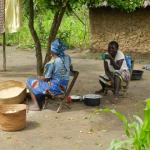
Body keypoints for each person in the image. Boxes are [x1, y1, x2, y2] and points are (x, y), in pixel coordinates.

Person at [26, 39, 72, 110]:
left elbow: (46, 78)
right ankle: (41, 100)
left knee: (29, 80)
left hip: (55, 89)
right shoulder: (67, 58)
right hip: (63, 87)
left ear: (52, 51)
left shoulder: (52, 62)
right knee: (41, 82)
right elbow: (70, 67)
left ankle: (37, 106)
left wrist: (38, 77)